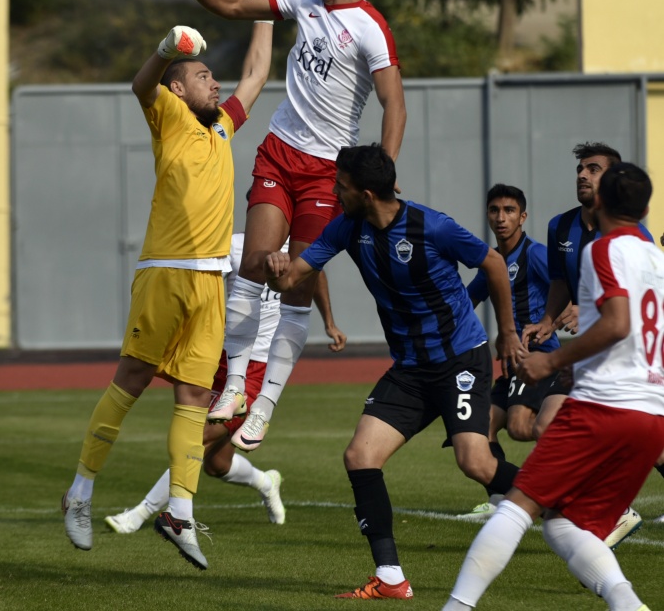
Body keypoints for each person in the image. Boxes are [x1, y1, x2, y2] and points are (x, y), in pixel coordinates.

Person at [160, 0, 406, 451]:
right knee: (253, 265)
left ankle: (265, 404)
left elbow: (394, 105)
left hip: (325, 173)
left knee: (295, 282)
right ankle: (233, 389)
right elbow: (232, 5)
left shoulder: (371, 28)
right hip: (279, 151)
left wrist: (380, 173)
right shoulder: (302, 0)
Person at [62, 15, 275, 571]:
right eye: (205, 76)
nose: (216, 84)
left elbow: (255, 74)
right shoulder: (170, 114)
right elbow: (142, 85)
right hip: (165, 272)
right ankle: (80, 492)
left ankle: (180, 511)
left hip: (209, 281)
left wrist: (262, 11)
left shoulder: (221, 127)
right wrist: (165, 50)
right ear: (179, 88)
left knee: (194, 399)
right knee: (130, 380)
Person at [264, 143, 524, 600]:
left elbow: (494, 262)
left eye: (339, 186)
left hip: (460, 358)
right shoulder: (346, 228)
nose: (333, 191)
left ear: (366, 192)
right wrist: (276, 266)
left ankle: (565, 496)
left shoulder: (433, 225)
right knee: (360, 457)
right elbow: (290, 280)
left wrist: (507, 332)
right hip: (410, 368)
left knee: (476, 463)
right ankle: (390, 578)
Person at [441, 162, 664, 611]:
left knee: (516, 507)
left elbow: (619, 323)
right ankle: (629, 606)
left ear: (599, 201)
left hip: (604, 408)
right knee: (563, 525)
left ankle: (456, 607)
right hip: (651, 415)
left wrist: (553, 361)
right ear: (644, 206)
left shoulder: (603, 249)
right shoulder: (655, 258)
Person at [104, 229, 346, 533]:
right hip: (223, 358)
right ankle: (267, 482)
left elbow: (315, 276)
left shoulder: (299, 245)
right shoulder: (236, 245)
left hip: (259, 365)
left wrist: (329, 322)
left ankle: (140, 514)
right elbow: (206, 289)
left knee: (198, 437)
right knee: (217, 464)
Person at [522, 141, 654, 548]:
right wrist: (547, 320)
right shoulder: (561, 227)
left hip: (628, 358)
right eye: (580, 169)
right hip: (590, 359)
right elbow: (562, 282)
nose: (582, 175)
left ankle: (607, 510)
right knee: (544, 424)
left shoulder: (637, 238)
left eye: (593, 169)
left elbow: (635, 304)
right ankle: (610, 511)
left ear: (612, 182)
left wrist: (589, 309)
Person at [459, 183, 559, 521]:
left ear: (523, 216)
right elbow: (464, 301)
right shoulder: (492, 262)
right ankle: (501, 499)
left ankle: (574, 453)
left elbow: (568, 293)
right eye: (495, 210)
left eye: (509, 211)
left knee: (520, 426)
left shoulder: (536, 255)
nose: (501, 218)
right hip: (512, 364)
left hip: (540, 357)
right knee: (481, 427)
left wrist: (556, 319)